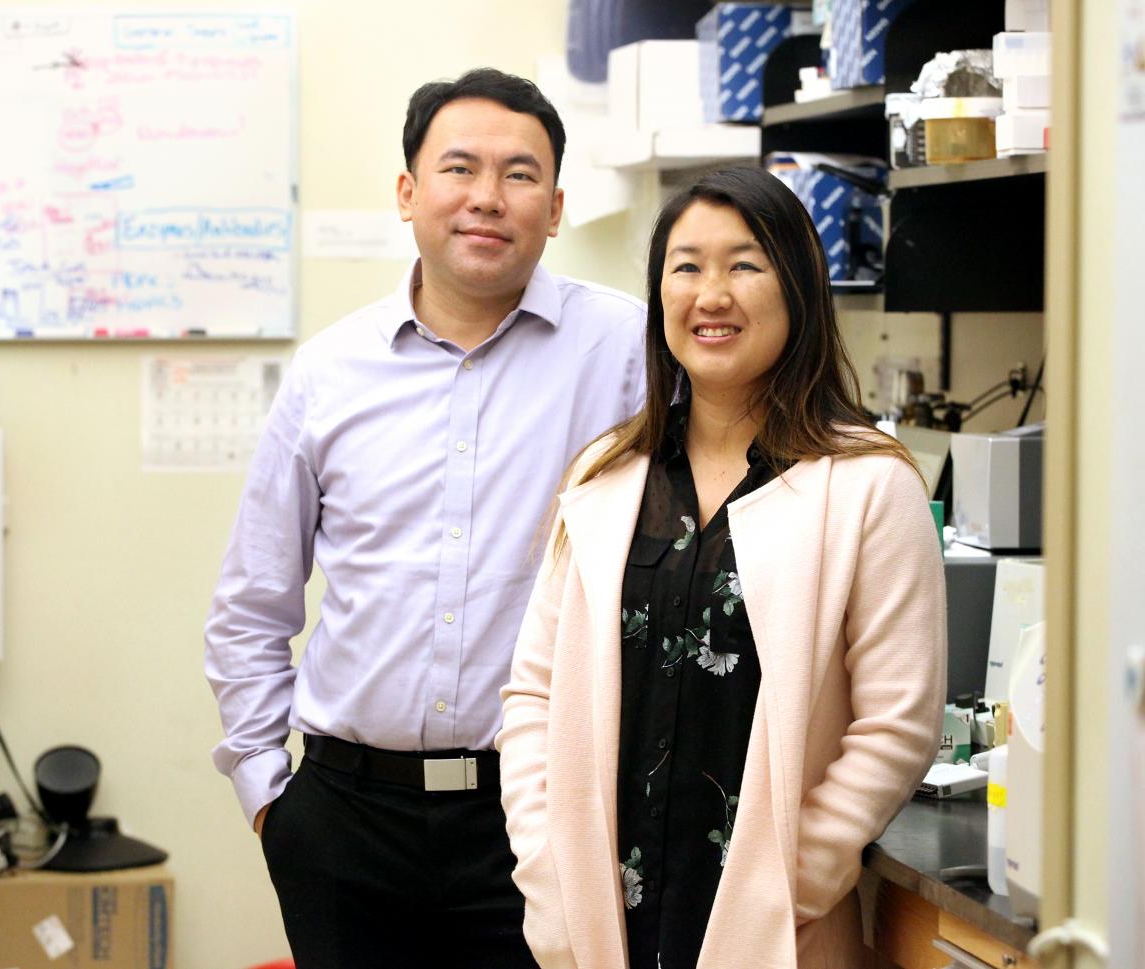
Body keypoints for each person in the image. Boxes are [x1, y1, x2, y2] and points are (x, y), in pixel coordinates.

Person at [204, 67, 645, 968]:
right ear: (408, 192)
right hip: (345, 821)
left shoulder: (629, 354)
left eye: (521, 175)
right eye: (459, 168)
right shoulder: (329, 374)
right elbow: (253, 602)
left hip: (537, 811)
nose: (488, 197)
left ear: (556, 208)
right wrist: (269, 798)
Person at [497, 166, 946, 969]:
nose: (712, 294)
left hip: (768, 924)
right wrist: (546, 873)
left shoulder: (869, 483)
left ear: (800, 289)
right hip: (604, 918)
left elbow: (897, 720)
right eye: (687, 266)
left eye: (744, 264)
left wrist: (791, 879)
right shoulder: (605, 477)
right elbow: (532, 694)